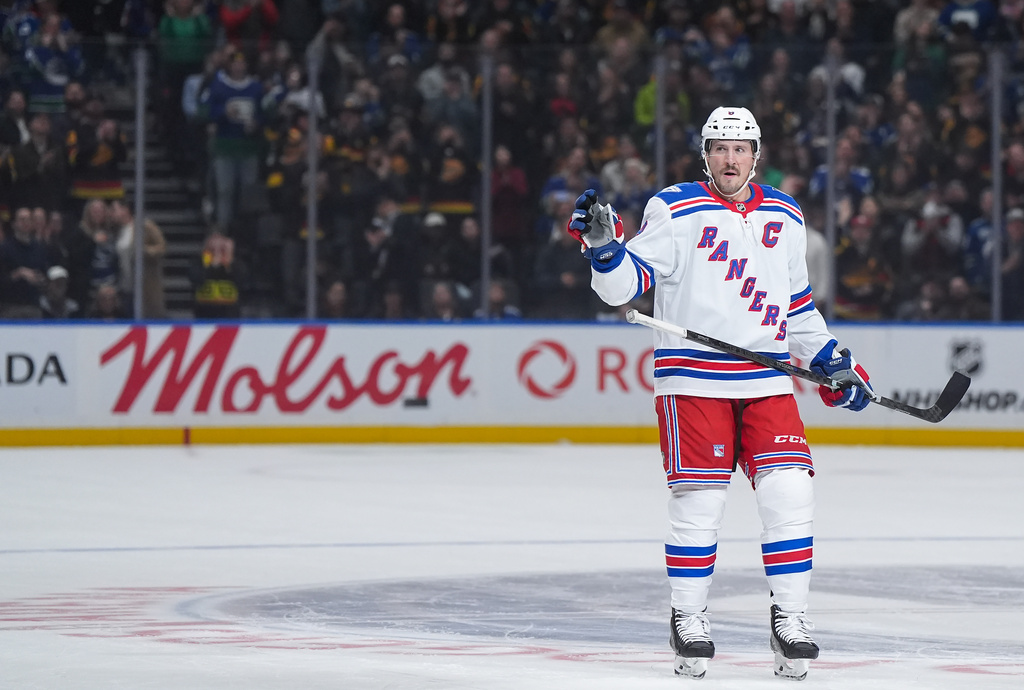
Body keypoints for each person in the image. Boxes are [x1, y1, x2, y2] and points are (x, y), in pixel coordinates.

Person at [566, 107, 875, 681]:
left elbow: (798, 307)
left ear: (756, 154)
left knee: (790, 495)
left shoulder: (785, 212)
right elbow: (625, 288)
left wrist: (833, 361)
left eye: (741, 148)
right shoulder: (674, 207)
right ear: (704, 154)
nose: (730, 158)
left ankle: (792, 620)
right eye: (719, 147)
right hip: (693, 382)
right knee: (699, 507)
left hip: (766, 382)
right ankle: (689, 619)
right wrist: (604, 249)